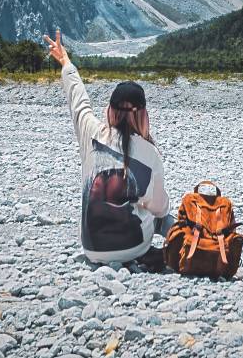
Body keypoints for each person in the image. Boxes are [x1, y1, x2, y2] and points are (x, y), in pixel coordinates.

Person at [43, 30, 174, 266]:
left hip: (92, 248)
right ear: (143, 115)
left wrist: (65, 61)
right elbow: (158, 206)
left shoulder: (91, 133)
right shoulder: (149, 152)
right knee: (161, 218)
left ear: (110, 110)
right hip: (132, 247)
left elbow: (78, 100)